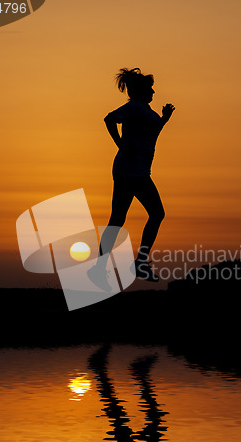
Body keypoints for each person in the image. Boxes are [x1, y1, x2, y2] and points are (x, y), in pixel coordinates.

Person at [88, 67, 175, 290]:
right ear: (142, 91)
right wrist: (120, 144)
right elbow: (109, 119)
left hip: (132, 169)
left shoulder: (144, 110)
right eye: (151, 88)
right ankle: (140, 263)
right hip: (132, 170)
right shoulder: (134, 107)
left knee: (117, 219)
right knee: (157, 213)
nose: (154, 92)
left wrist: (164, 120)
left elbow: (149, 136)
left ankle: (99, 269)